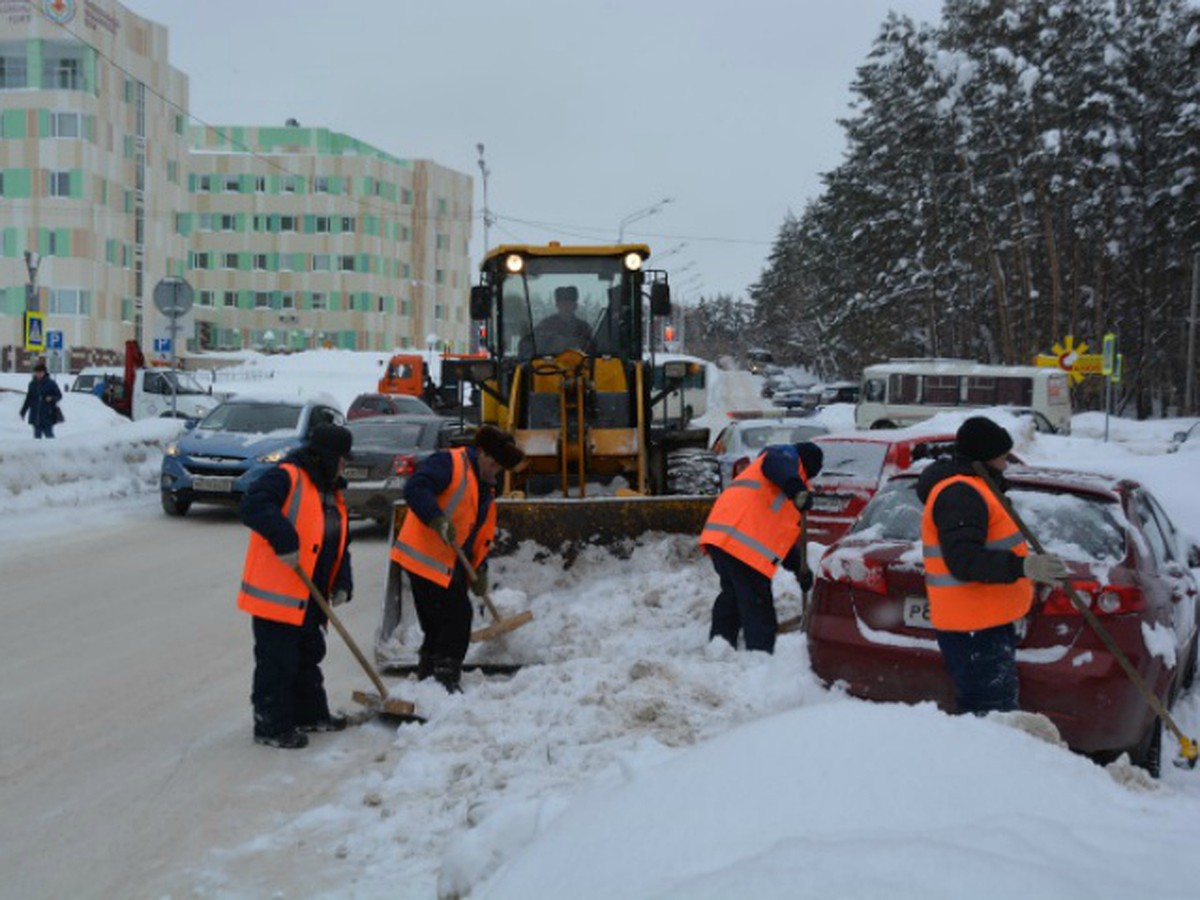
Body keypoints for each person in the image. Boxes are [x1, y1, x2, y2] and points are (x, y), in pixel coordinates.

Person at [917, 415, 1068, 715]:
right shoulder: (961, 493)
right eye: (1002, 457)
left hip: (983, 622)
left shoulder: (978, 486)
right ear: (985, 458)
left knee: (991, 714)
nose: (1006, 464)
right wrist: (1024, 567)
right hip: (973, 628)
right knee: (990, 716)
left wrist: (1030, 564)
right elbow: (964, 561)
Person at [237, 423, 356, 749]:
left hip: (312, 595)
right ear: (327, 457)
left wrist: (343, 580)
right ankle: (270, 726)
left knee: (308, 657)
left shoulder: (332, 491)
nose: (345, 466)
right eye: (342, 459)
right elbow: (253, 505)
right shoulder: (287, 476)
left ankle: (310, 714)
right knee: (278, 662)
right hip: (279, 594)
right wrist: (283, 537)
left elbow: (339, 542)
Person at [391, 424, 526, 692]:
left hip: (446, 563)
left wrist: (479, 569)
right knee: (457, 619)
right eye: (494, 464)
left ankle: (429, 677)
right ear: (482, 453)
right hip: (424, 558)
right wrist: (436, 518)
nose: (496, 472)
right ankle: (445, 679)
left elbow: (473, 534)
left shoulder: (484, 486)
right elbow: (416, 488)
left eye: (500, 468)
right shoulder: (449, 463)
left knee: (438, 624)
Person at [700, 440, 824, 653]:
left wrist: (799, 569)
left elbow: (779, 536)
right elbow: (775, 464)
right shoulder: (784, 457)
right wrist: (796, 489)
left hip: (722, 539)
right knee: (758, 605)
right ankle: (760, 658)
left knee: (732, 597)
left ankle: (720, 647)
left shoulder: (786, 484)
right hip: (740, 544)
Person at [526, 286, 595, 357]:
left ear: (575, 306)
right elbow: (530, 347)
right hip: (550, 366)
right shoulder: (545, 326)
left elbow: (593, 353)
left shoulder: (584, 328)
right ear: (557, 305)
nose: (566, 307)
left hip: (581, 366)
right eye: (563, 304)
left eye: (570, 304)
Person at [19, 362, 62, 439]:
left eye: (40, 372)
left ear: (44, 373)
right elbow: (28, 399)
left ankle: (53, 450)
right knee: (37, 439)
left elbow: (59, 395)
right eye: (36, 372)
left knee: (49, 436)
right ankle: (38, 451)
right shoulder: (32, 384)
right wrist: (23, 411)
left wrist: (51, 398)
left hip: (48, 415)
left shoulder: (51, 383)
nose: (38, 374)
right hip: (36, 415)